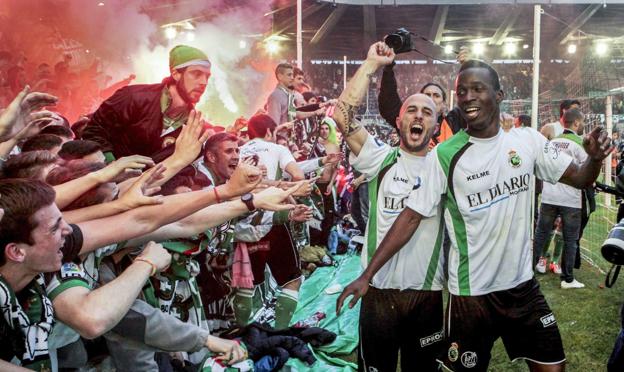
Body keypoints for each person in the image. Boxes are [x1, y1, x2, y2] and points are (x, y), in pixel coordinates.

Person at [338, 58, 612, 372]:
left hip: (500, 288)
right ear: (397, 119)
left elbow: (579, 177)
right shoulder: (422, 157)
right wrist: (367, 274)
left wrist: (594, 159)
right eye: (462, 91)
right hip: (453, 295)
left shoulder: (522, 142)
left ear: (498, 95)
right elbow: (411, 215)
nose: (468, 96)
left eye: (477, 89)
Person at [334, 42, 445, 371]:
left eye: (427, 112)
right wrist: (371, 63)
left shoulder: (446, 168)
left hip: (427, 294)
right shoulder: (379, 158)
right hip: (378, 291)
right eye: (412, 110)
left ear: (436, 126)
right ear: (398, 121)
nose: (419, 116)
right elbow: (342, 116)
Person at [83, 45, 212, 160]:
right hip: (106, 182)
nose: (204, 82)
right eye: (197, 74)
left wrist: (179, 186)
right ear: (175, 73)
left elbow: (185, 167)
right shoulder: (133, 96)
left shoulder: (193, 126)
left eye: (207, 76)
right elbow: (94, 131)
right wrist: (112, 166)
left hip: (150, 186)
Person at [534, 108, 588, 289]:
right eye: (583, 123)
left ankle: (528, 271)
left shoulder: (552, 142)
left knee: (541, 234)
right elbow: (587, 171)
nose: (584, 126)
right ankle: (568, 279)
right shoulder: (580, 143)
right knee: (570, 239)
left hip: (549, 196)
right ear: (576, 123)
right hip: (570, 200)